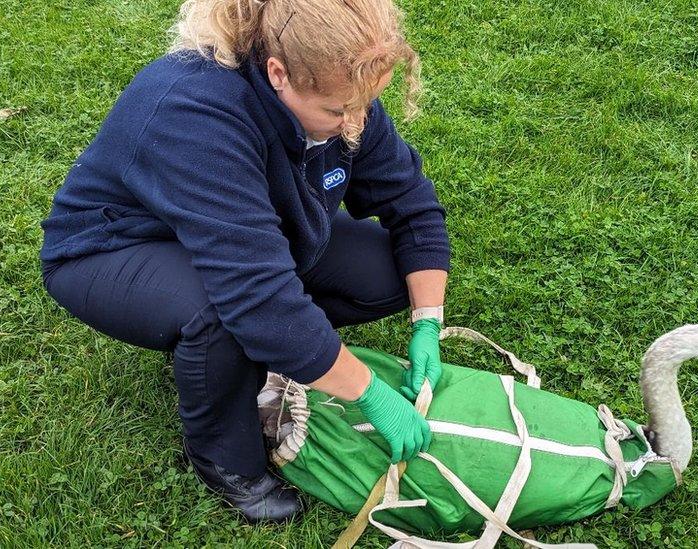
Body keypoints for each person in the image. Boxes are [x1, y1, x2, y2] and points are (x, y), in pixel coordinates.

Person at [39, 0, 449, 524]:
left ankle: (272, 349)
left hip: (243, 235)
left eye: (366, 105)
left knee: (389, 271)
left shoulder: (343, 91)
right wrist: (367, 391)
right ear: (279, 73)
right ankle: (225, 462)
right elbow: (255, 295)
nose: (355, 124)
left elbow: (412, 206)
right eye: (336, 112)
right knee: (222, 312)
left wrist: (427, 324)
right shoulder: (193, 111)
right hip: (113, 249)